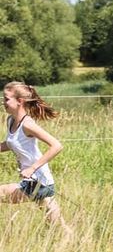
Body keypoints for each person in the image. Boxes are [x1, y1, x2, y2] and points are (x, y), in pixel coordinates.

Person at [0, 81, 71, 233]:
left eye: (6, 99)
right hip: (33, 180)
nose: (3, 102)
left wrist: (32, 168)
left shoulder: (28, 124)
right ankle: (74, 241)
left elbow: (57, 145)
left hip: (38, 180)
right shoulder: (11, 120)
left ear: (20, 101)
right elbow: (11, 143)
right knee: (57, 225)